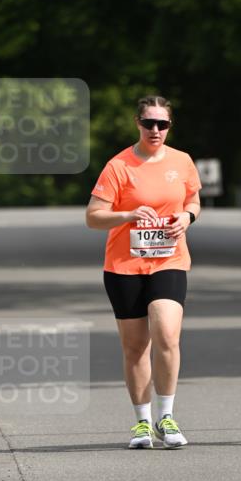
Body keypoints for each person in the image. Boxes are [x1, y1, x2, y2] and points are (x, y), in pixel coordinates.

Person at [86, 95, 201, 449]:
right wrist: (128, 215)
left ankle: (167, 417)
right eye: (149, 123)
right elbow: (93, 216)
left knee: (166, 332)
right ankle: (142, 422)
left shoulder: (182, 161)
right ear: (138, 123)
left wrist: (187, 217)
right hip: (124, 265)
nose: (155, 130)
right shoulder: (119, 166)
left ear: (169, 126)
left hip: (169, 259)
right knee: (135, 346)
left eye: (162, 124)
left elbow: (193, 199)